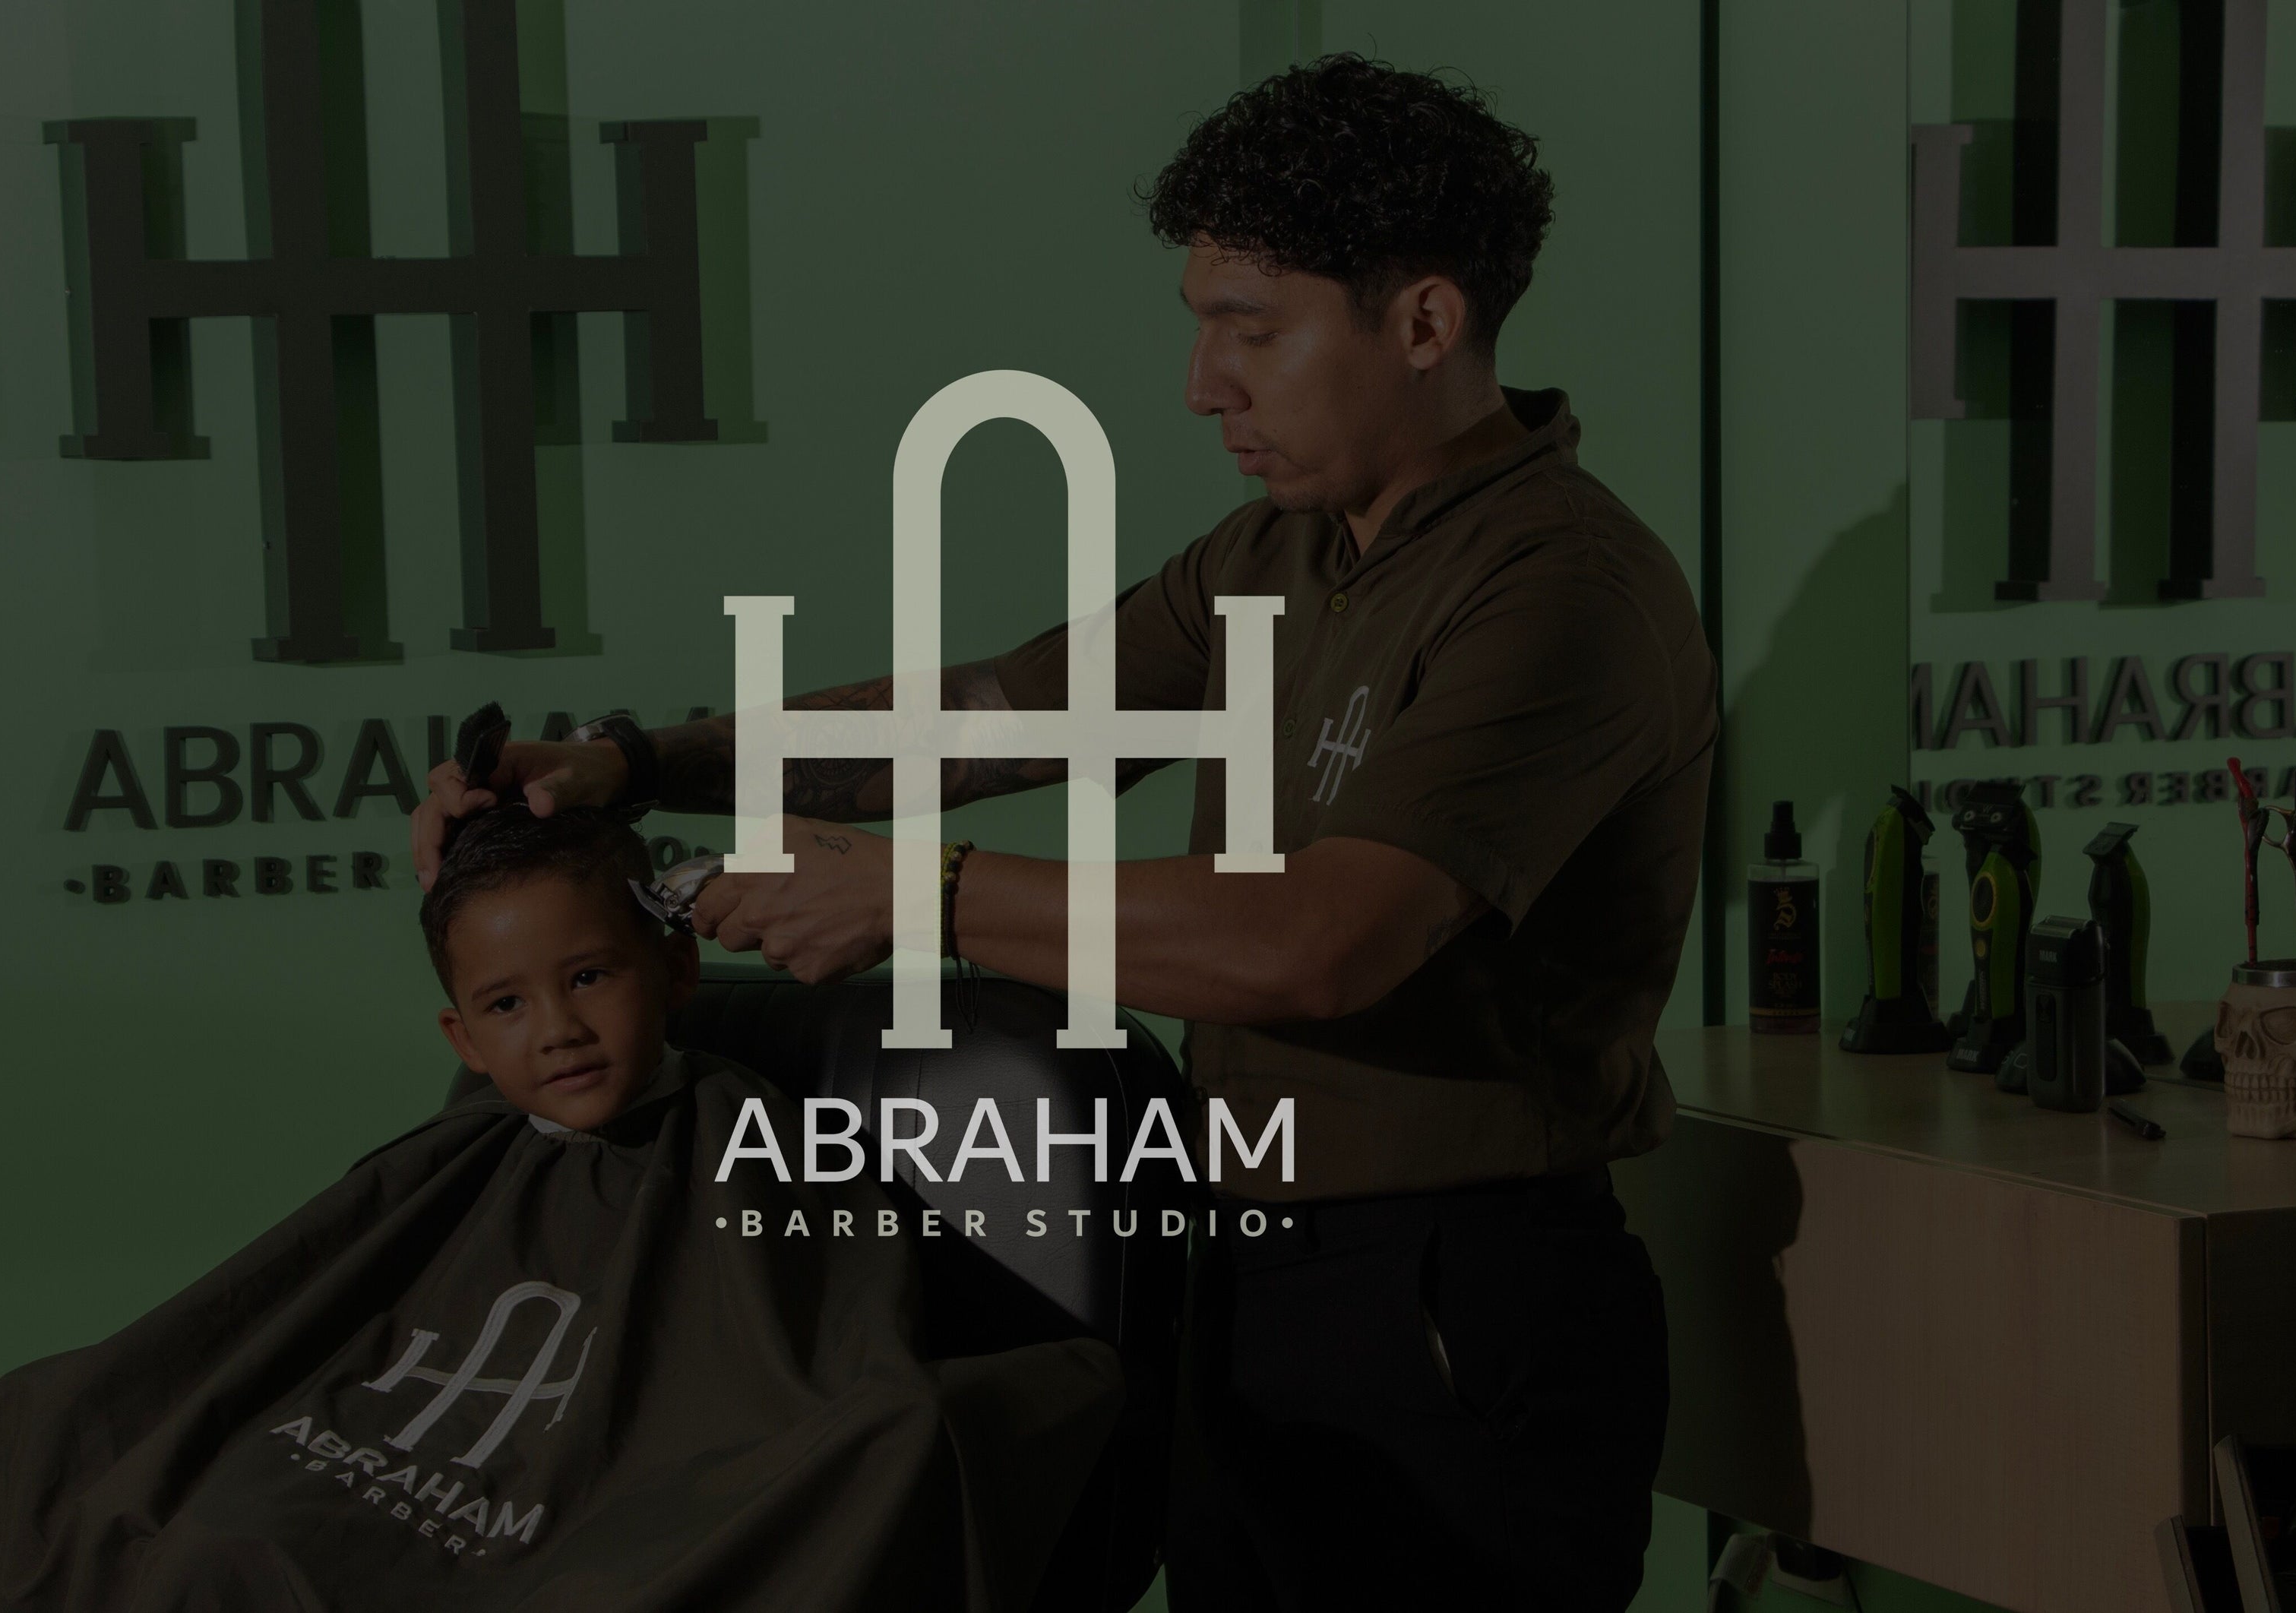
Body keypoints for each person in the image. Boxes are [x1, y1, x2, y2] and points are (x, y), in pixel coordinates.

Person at [413, 54, 1711, 1611]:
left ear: (1424, 324)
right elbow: (993, 713)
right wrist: (630, 767)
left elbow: (1320, 939)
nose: (1203, 384)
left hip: (1454, 1305)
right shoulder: (1280, 552)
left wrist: (924, 899)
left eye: (1254, 330)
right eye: (1201, 329)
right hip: (1251, 1265)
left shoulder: (1562, 587)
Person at [0, 808, 1118, 1613]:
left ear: (673, 967)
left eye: (591, 976)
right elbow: (294, 1321)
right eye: (508, 1006)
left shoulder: (760, 1152)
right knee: (58, 1445)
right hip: (361, 1480)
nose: (555, 1029)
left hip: (586, 1518)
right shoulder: (452, 1164)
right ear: (463, 1034)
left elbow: (817, 1376)